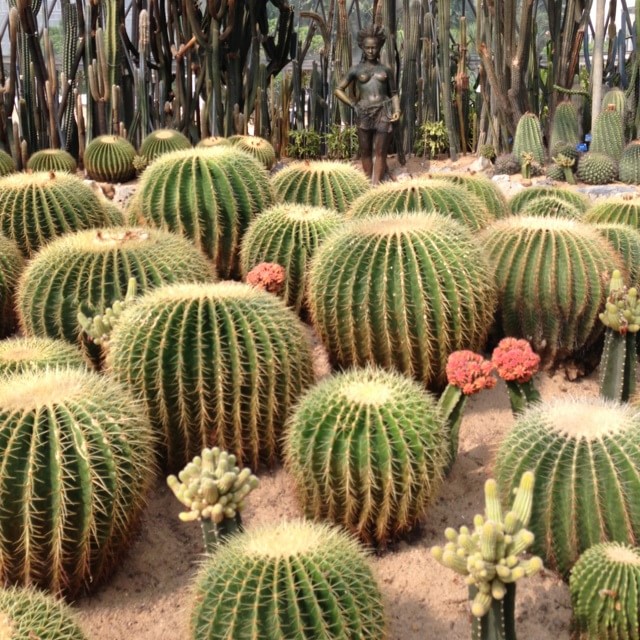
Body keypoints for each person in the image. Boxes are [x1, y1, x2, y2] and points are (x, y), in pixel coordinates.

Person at [334, 25, 400, 185]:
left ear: (379, 48)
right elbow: (338, 89)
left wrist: (397, 109)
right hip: (363, 112)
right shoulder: (356, 70)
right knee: (365, 151)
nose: (371, 51)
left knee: (380, 151)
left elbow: (394, 92)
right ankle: (366, 182)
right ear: (362, 48)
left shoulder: (386, 69)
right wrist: (352, 104)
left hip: (383, 111)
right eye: (368, 48)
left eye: (374, 47)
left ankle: (375, 184)